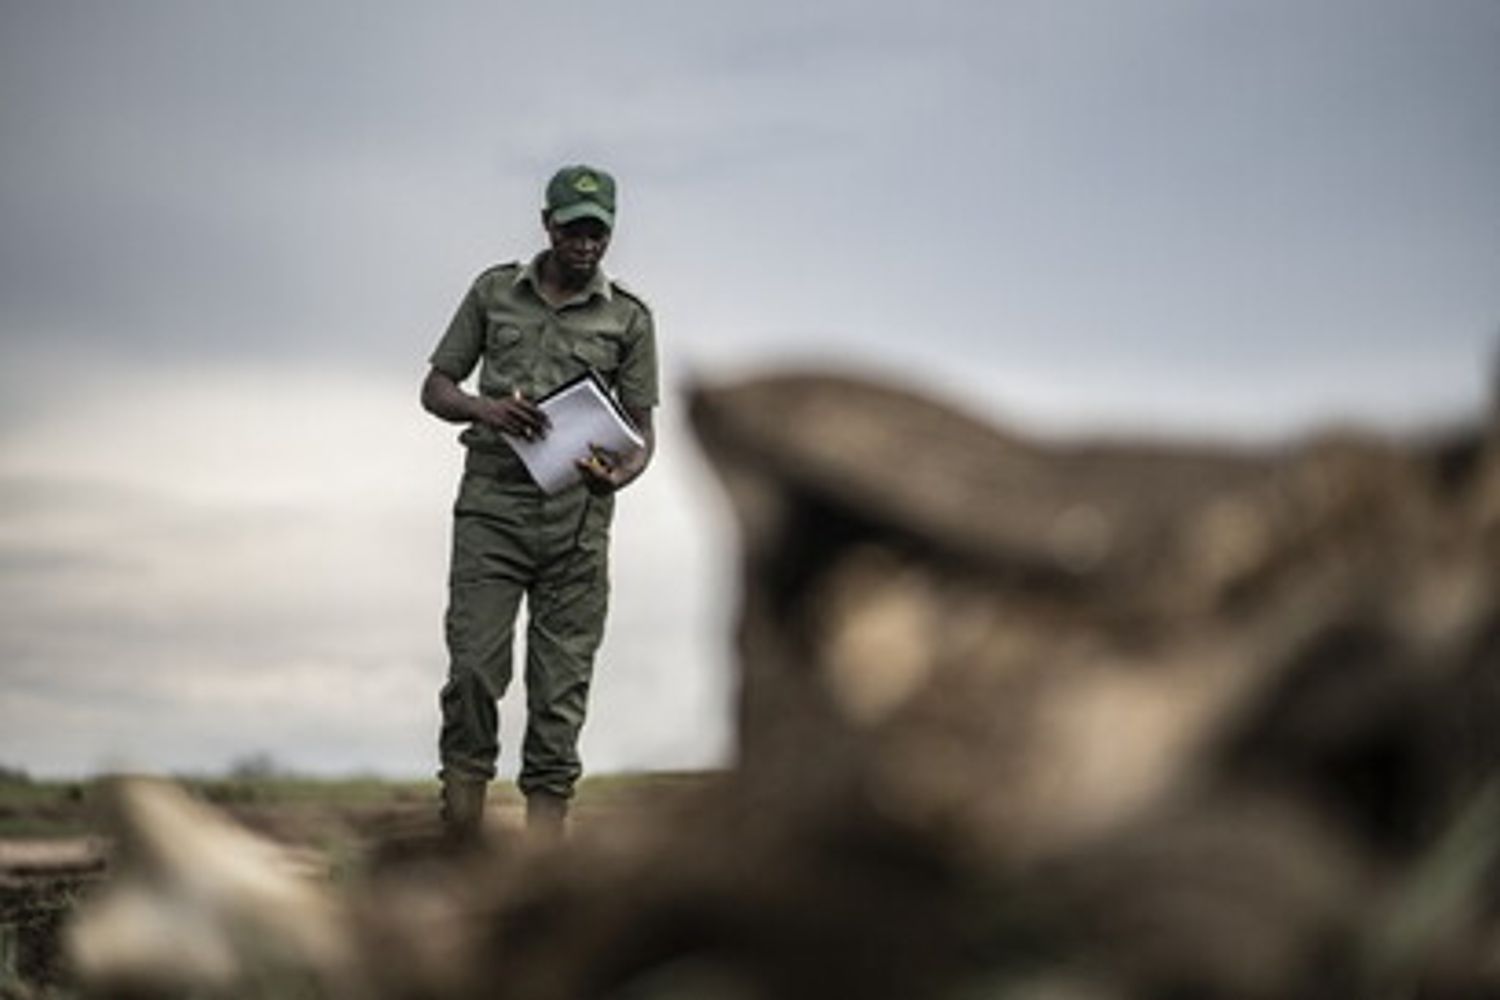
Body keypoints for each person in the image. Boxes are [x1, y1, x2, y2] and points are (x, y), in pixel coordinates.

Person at [420, 165, 658, 837]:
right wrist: (485, 409)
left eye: (598, 232)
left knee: (559, 696)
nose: (586, 244)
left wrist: (621, 472)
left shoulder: (630, 319)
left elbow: (642, 438)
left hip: (577, 526)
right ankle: (461, 836)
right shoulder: (495, 292)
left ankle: (544, 850)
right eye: (574, 229)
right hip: (491, 514)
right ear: (547, 224)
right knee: (472, 673)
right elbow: (436, 388)